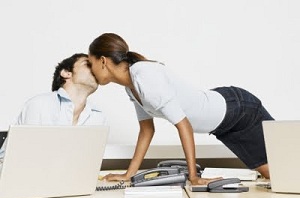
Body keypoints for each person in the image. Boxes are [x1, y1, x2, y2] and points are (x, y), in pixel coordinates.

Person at [88, 33, 274, 185]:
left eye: (90, 63)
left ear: (103, 61)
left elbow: (184, 125)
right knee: (275, 174)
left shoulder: (144, 77)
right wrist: (129, 174)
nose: (90, 70)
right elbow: (147, 130)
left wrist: (193, 177)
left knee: (286, 167)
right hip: (224, 127)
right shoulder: (131, 87)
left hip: (239, 110)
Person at [0, 53, 107, 162]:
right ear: (66, 73)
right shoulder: (40, 105)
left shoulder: (98, 117)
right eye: (88, 64)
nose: (95, 69)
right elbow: (26, 158)